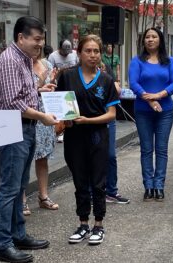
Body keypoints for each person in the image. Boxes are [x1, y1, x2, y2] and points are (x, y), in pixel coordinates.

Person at [0, 16, 57, 263]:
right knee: (9, 189)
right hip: (13, 129)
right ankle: (3, 244)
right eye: (36, 39)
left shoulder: (25, 59)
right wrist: (42, 116)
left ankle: (17, 234)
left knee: (19, 186)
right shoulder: (9, 60)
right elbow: (12, 103)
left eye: (42, 40)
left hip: (26, 128)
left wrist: (39, 91)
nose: (40, 45)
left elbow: (20, 92)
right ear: (21, 37)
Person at [56, 35, 119, 245]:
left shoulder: (106, 80)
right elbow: (60, 105)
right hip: (74, 136)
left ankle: (98, 225)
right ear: (79, 53)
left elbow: (111, 114)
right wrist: (63, 120)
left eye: (96, 51)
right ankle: (82, 223)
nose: (92, 55)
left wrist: (89, 120)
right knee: (80, 181)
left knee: (98, 183)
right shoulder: (67, 76)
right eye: (88, 51)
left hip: (97, 135)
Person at [129, 27, 173, 201]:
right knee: (146, 149)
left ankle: (159, 185)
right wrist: (149, 100)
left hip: (164, 111)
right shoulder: (137, 61)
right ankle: (148, 186)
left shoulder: (170, 61)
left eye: (154, 36)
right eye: (147, 37)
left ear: (160, 40)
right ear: (143, 41)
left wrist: (158, 95)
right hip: (143, 111)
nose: (150, 39)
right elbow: (133, 84)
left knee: (161, 149)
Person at [22, 51, 59, 216]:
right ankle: (21, 201)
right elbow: (23, 94)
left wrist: (51, 86)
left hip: (46, 115)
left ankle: (43, 196)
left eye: (39, 46)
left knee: (42, 157)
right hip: (29, 116)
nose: (36, 50)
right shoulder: (21, 67)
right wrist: (41, 84)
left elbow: (53, 87)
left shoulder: (47, 65)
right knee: (24, 160)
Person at [98, 62, 130, 204]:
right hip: (90, 119)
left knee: (110, 156)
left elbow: (118, 91)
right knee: (91, 157)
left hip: (108, 119)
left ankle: (111, 191)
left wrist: (105, 76)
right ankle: (94, 192)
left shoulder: (107, 79)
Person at [48, 39, 79, 143]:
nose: (66, 55)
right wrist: (60, 71)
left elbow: (79, 67)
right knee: (61, 109)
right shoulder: (53, 56)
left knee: (70, 106)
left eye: (68, 53)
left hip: (72, 83)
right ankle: (60, 130)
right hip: (58, 85)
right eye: (64, 53)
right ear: (59, 48)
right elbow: (49, 74)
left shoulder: (74, 54)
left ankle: (68, 129)